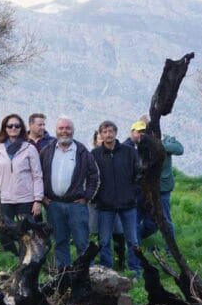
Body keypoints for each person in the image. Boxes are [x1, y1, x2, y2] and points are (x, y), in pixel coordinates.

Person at [39, 117, 99, 269]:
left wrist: (87, 197)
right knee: (60, 242)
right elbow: (37, 175)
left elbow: (94, 176)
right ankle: (63, 277)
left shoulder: (82, 151)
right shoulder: (47, 151)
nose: (64, 131)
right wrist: (43, 197)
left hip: (76, 205)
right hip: (53, 205)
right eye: (61, 128)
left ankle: (86, 274)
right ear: (56, 131)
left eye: (67, 128)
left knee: (82, 243)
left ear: (73, 130)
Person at [0, 113, 44, 255]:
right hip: (4, 200)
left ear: (21, 128)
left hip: (26, 199)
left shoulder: (29, 149)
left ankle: (28, 261)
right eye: (10, 126)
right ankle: (11, 260)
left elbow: (37, 176)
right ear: (5, 128)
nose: (13, 128)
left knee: (28, 235)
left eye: (17, 126)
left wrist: (38, 200)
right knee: (4, 233)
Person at [91, 120, 142, 278]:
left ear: (116, 132)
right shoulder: (95, 154)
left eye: (111, 131)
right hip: (105, 205)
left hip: (128, 204)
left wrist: (133, 192)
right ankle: (107, 271)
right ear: (100, 134)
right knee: (105, 241)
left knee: (132, 240)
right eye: (104, 132)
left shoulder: (128, 151)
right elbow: (92, 177)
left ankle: (135, 271)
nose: (108, 134)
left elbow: (138, 174)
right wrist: (98, 196)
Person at [88, 130, 127, 269]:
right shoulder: (91, 156)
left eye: (103, 138)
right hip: (95, 202)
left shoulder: (115, 156)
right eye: (99, 139)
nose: (102, 141)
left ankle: (120, 261)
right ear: (95, 141)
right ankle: (98, 263)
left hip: (112, 201)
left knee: (118, 231)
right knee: (96, 233)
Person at [138, 133, 184, 243]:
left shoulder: (164, 142)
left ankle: (170, 251)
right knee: (139, 220)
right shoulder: (135, 146)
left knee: (165, 220)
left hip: (162, 189)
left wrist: (159, 147)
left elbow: (179, 149)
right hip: (143, 189)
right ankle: (134, 243)